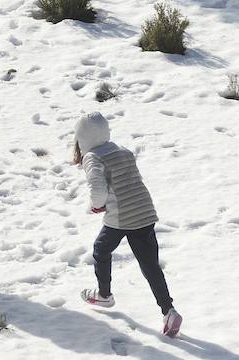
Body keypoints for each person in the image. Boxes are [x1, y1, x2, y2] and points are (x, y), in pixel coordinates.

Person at [73, 111, 182, 338]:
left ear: (83, 138)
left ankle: (104, 295)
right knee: (150, 265)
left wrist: (96, 205)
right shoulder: (122, 150)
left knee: (101, 250)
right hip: (145, 211)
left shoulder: (92, 157)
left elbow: (98, 189)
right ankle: (168, 310)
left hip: (122, 216)